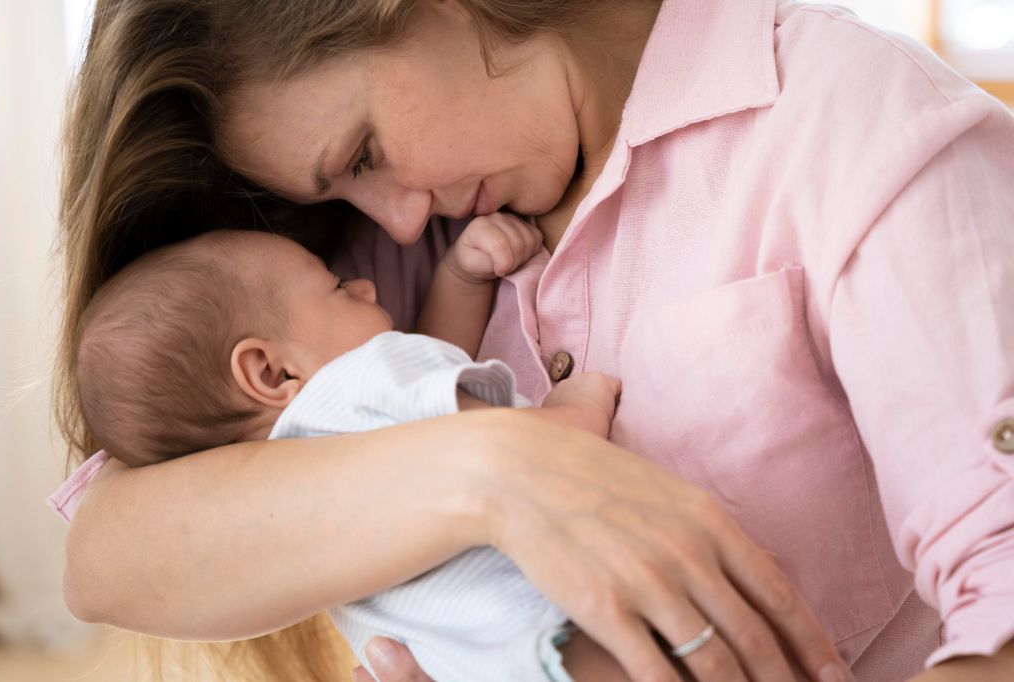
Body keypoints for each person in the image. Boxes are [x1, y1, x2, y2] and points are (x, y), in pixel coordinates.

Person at [52, 1, 1014, 681]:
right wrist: (498, 472)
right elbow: (106, 556)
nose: (388, 224)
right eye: (339, 192)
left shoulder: (852, 126)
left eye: (362, 156)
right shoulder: (391, 268)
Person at [71, 225, 626, 681]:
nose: (364, 287)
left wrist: (458, 279)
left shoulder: (281, 494)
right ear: (271, 371)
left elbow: (428, 386)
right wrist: (582, 406)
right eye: (335, 286)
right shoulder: (364, 378)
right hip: (549, 622)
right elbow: (533, 452)